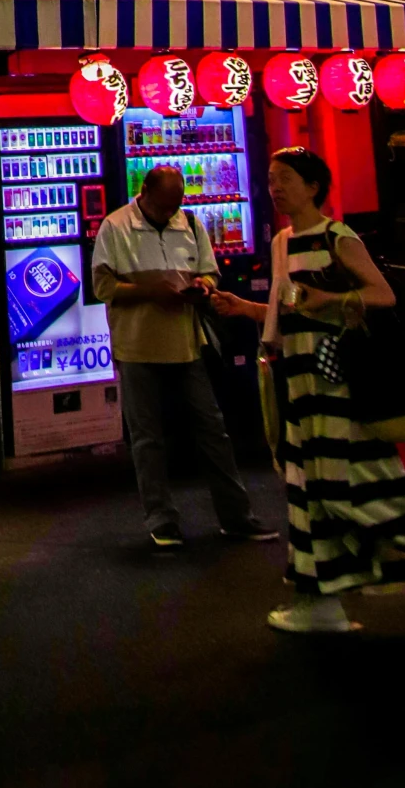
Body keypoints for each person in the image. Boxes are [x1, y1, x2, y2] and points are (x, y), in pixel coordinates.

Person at [213, 145, 405, 634]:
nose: (275, 188)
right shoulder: (280, 242)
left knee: (350, 483)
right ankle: (321, 599)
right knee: (309, 491)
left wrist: (330, 299)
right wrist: (244, 308)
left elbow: (382, 294)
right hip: (298, 386)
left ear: (314, 186)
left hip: (336, 384)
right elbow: (285, 314)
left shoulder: (338, 236)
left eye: (285, 179)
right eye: (272, 179)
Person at [92, 162, 274, 553]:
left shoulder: (189, 223)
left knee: (214, 431)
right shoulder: (115, 226)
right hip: (136, 346)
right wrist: (150, 290)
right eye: (162, 207)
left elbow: (211, 273)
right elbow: (103, 286)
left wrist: (201, 287)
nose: (169, 213)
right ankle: (162, 520)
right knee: (147, 438)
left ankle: (236, 516)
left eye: (175, 206)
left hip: (187, 343)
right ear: (144, 194)